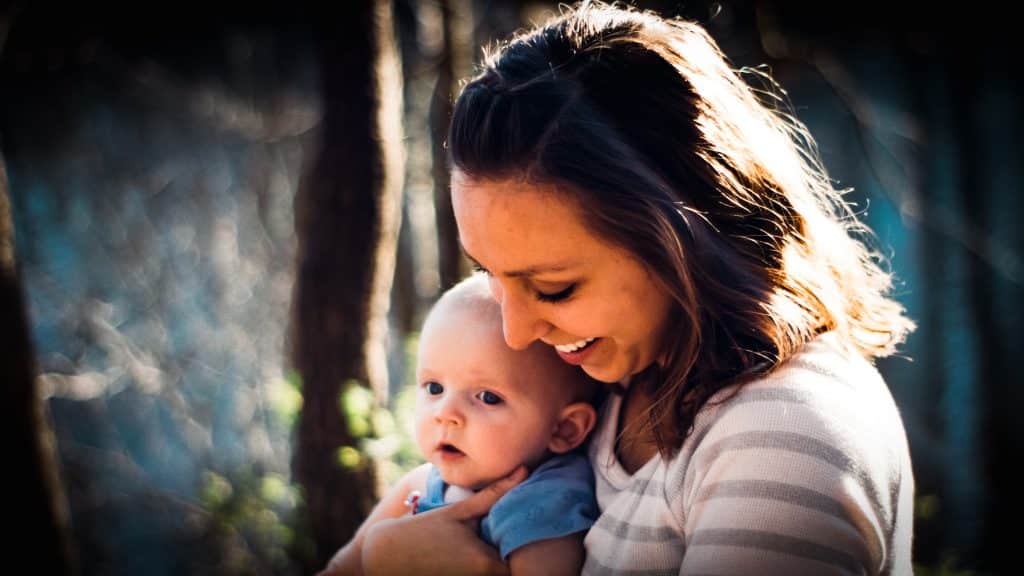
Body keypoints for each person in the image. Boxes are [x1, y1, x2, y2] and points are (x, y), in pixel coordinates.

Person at [338, 2, 917, 574]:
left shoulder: (783, 436)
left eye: (555, 288)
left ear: (685, 240)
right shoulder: (604, 381)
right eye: (490, 273)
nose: (515, 333)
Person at [324, 274, 602, 575]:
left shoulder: (543, 507)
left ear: (565, 429)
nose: (445, 413)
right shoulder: (422, 483)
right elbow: (342, 567)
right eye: (433, 388)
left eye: (487, 397)